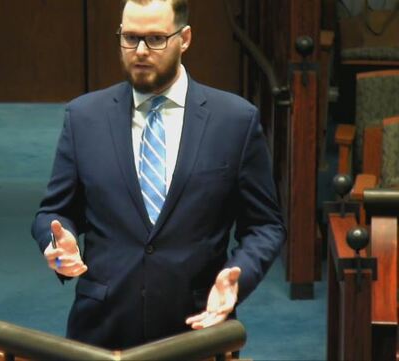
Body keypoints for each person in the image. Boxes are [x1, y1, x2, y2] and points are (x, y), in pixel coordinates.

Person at [31, 0, 286, 349]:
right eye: (130, 37)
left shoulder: (235, 121)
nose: (139, 51)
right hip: (102, 328)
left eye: (155, 39)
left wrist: (238, 276)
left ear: (185, 39)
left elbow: (265, 226)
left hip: (196, 326)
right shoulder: (84, 117)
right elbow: (54, 212)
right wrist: (58, 243)